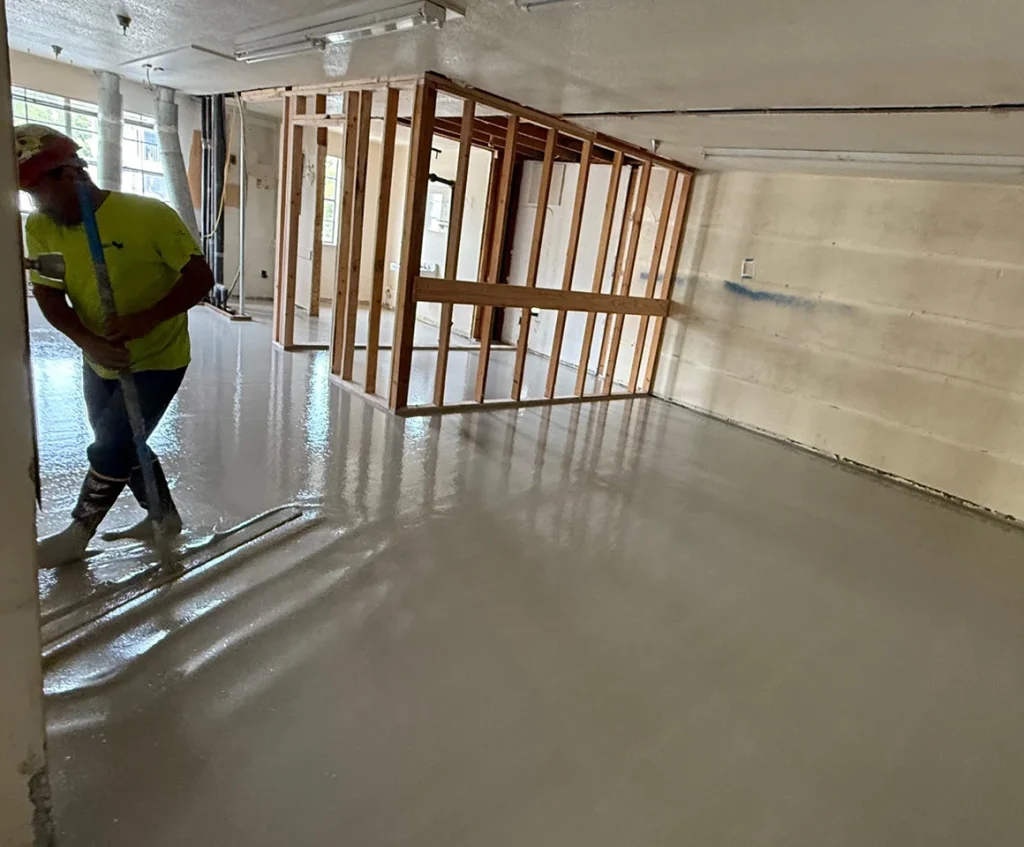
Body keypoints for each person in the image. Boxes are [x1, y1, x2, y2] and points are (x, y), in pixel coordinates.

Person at [17, 124, 215, 568]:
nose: (35, 204)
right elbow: (48, 294)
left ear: (68, 176)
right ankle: (163, 516)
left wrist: (144, 320)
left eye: (36, 192)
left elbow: (201, 279)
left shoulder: (149, 215)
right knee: (123, 439)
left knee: (111, 444)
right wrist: (88, 341)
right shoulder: (40, 226)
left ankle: (78, 532)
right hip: (99, 357)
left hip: (158, 358)